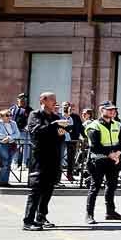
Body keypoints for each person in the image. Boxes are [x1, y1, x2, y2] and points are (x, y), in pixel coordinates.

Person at [23, 92, 70, 230]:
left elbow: (60, 136)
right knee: (36, 189)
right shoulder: (35, 115)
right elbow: (35, 131)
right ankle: (28, 221)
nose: (55, 102)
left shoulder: (55, 117)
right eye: (52, 100)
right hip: (40, 157)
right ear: (43, 100)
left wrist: (61, 132)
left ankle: (41, 216)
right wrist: (54, 126)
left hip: (53, 156)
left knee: (48, 188)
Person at [85, 102, 121, 224]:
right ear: (101, 110)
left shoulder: (118, 125)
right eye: (109, 110)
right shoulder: (94, 125)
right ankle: (89, 214)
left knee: (111, 186)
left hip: (113, 160)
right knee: (95, 187)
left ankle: (110, 212)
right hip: (98, 160)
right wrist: (111, 154)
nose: (112, 111)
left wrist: (118, 153)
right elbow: (95, 145)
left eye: (113, 109)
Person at [0, 109, 19, 185]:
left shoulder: (13, 123)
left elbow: (17, 134)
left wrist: (9, 138)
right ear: (2, 116)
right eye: (7, 115)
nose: (9, 117)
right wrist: (11, 137)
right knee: (6, 160)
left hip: (11, 144)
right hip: (1, 144)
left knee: (8, 162)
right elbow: (0, 135)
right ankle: (2, 181)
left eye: (10, 115)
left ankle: (5, 181)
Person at [8, 92, 30, 168]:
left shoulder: (29, 109)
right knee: (15, 147)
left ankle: (24, 163)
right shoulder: (12, 108)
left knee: (25, 148)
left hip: (23, 132)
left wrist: (27, 127)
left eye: (24, 99)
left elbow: (31, 120)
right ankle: (14, 163)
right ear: (17, 99)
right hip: (14, 132)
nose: (22, 100)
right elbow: (7, 119)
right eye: (20, 98)